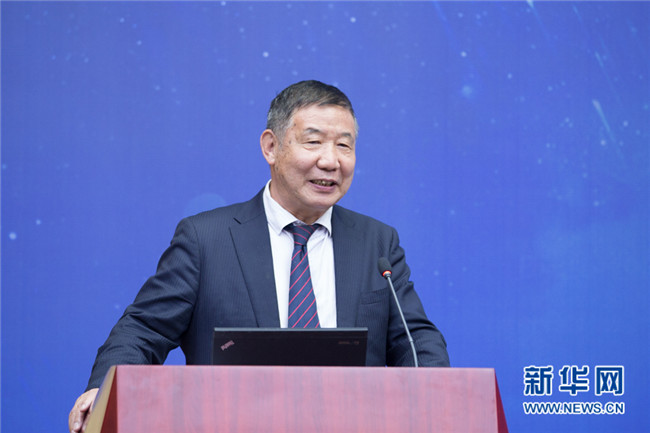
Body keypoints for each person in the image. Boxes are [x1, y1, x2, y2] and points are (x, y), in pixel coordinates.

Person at [68, 80, 449, 432]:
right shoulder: (206, 239)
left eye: (344, 146)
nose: (331, 161)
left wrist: (439, 400)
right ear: (271, 147)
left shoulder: (377, 241)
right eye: (313, 142)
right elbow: (144, 329)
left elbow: (414, 338)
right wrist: (103, 391)